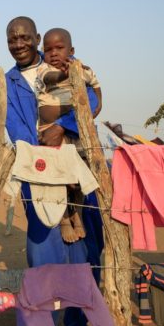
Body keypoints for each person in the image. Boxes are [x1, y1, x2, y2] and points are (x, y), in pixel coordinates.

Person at [4, 16, 102, 326]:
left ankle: (79, 320)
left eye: (25, 38)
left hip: (76, 166)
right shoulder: (8, 80)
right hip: (39, 170)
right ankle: (40, 321)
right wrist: (41, 154)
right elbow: (14, 125)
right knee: (42, 247)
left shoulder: (66, 65)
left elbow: (93, 99)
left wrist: (63, 126)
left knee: (87, 248)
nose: (19, 44)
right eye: (12, 39)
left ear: (36, 38)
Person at [39, 27, 103, 243]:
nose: (53, 53)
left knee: (79, 177)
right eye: (48, 50)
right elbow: (51, 78)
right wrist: (66, 74)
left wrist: (97, 100)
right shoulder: (44, 70)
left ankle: (78, 213)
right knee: (60, 176)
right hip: (53, 133)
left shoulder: (83, 68)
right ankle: (65, 218)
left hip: (78, 131)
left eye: (59, 48)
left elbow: (95, 86)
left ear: (71, 49)